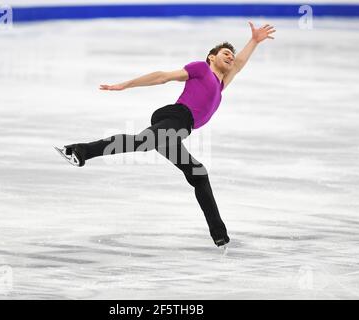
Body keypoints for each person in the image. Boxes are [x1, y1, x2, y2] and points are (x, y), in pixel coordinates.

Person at [57, 22, 276, 247]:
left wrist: (255, 41)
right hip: (175, 118)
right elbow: (163, 76)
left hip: (178, 131)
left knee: (198, 175)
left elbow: (238, 65)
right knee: (142, 143)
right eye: (226, 53)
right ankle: (79, 150)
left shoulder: (220, 85)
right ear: (211, 57)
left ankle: (219, 235)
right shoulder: (202, 69)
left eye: (232, 55)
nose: (231, 57)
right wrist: (126, 85)